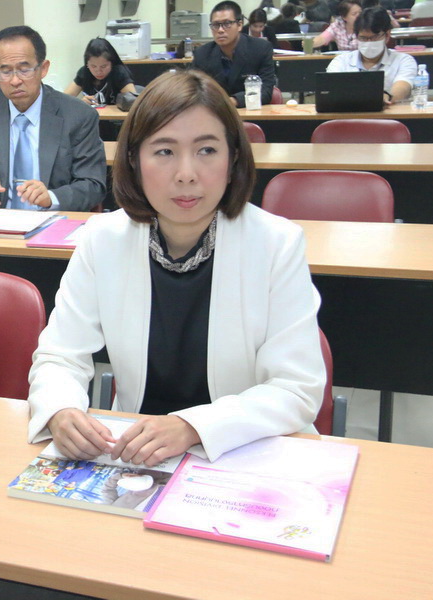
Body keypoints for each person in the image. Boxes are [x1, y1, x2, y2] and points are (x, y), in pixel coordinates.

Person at [27, 70, 324, 465]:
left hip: (245, 449)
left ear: (234, 157)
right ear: (134, 160)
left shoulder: (277, 243)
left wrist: (193, 426)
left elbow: (296, 388)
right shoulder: (102, 239)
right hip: (133, 452)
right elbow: (60, 355)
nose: (186, 174)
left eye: (207, 150)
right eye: (164, 151)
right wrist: (61, 408)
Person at [0, 26, 107, 211]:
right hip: (0, 220)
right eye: (5, 71)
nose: (15, 81)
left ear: (43, 68)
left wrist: (51, 198)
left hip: (54, 219)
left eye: (24, 70)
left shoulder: (78, 115)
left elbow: (93, 185)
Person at [191, 1, 277, 108]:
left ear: (239, 25)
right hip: (215, 113)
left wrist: (233, 101)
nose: (220, 30)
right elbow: (193, 91)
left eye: (227, 24)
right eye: (215, 25)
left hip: (249, 111)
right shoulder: (202, 54)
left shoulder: (260, 49)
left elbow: (265, 91)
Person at [326, 7, 417, 104]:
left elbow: (403, 86)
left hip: (390, 112)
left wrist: (387, 96)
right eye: (363, 38)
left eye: (375, 37)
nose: (369, 42)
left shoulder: (404, 60)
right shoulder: (341, 61)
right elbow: (332, 89)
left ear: (387, 35)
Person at [63, 38, 138, 106]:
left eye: (103, 66)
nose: (98, 72)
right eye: (93, 66)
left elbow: (133, 102)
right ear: (87, 64)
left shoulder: (119, 72)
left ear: (112, 63)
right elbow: (63, 99)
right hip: (93, 116)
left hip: (116, 116)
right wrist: (80, 103)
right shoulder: (84, 72)